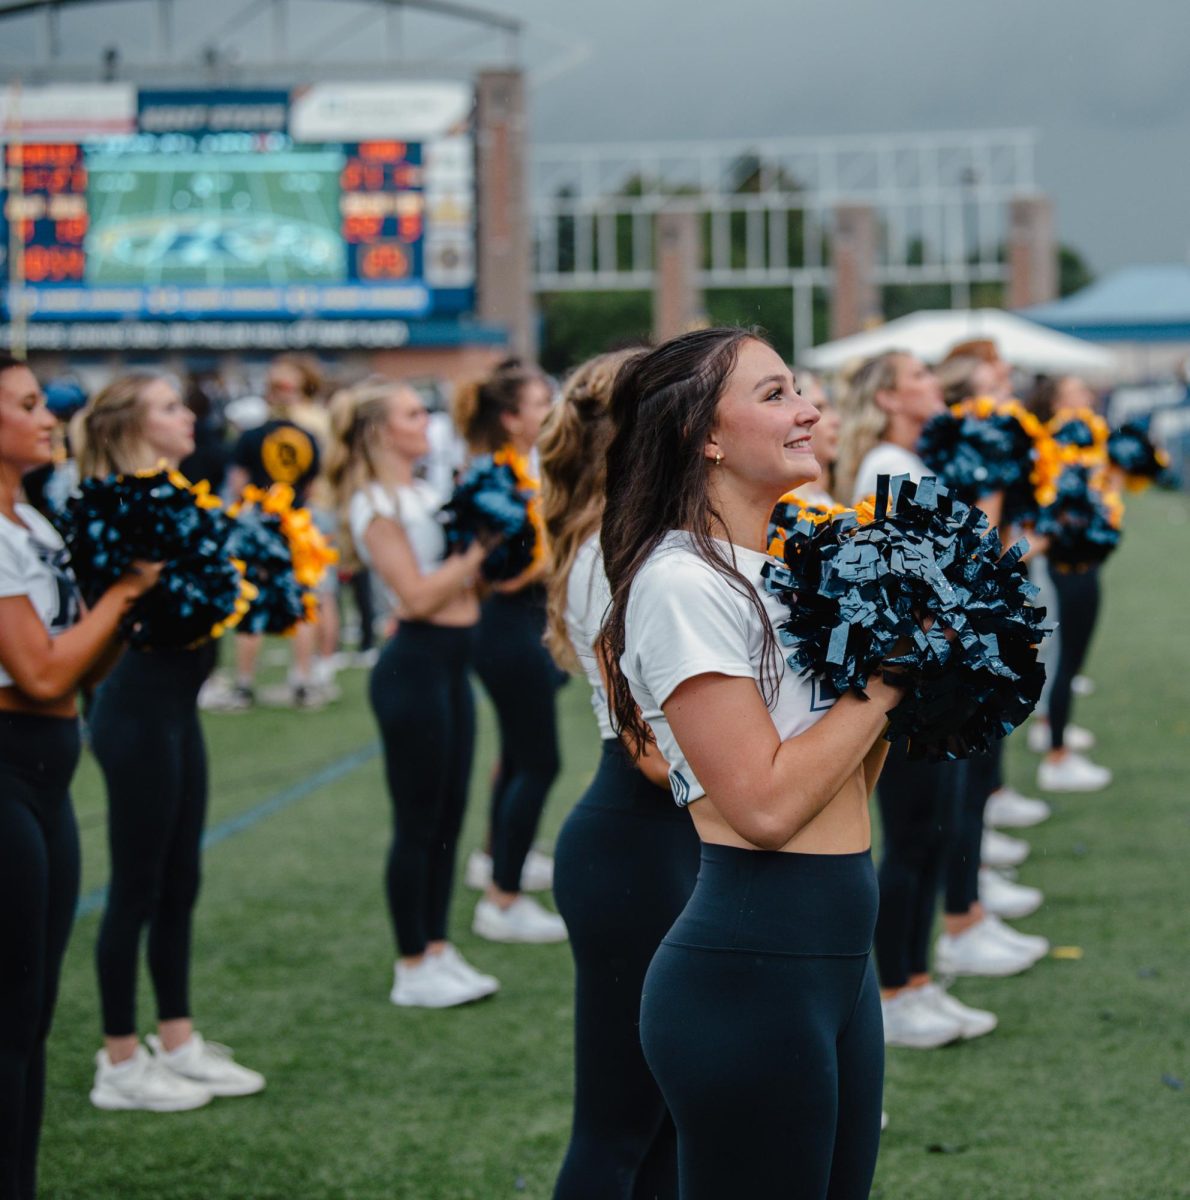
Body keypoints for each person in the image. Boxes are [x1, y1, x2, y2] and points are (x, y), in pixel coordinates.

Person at [601, 327, 901, 1198]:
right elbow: (766, 811)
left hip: (839, 953)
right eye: (774, 395)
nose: (808, 409)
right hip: (752, 965)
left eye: (798, 390)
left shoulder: (786, 569)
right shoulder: (679, 582)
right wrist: (886, 681)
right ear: (706, 435)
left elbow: (846, 782)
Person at [0, 354, 163, 1196]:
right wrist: (126, 590)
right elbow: (43, 675)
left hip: (47, 777)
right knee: (8, 1016)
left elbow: (80, 668)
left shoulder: (31, 522)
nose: (46, 417)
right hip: (10, 774)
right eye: (27, 405)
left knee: (30, 1018)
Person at [81, 371, 266, 1113]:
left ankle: (178, 1039)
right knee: (136, 884)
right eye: (167, 407)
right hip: (136, 710)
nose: (187, 417)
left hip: (177, 709)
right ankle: (119, 1061)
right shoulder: (113, 505)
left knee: (179, 878)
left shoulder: (176, 494)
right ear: (130, 423)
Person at [542, 350, 699, 1200]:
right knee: (616, 1127)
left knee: (671, 1116)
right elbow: (650, 748)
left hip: (659, 838)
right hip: (636, 844)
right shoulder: (616, 547)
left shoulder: (641, 532)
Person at [328, 378, 498, 1008]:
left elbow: (457, 587)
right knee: (418, 819)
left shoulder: (427, 491)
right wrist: (480, 550)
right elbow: (418, 596)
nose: (424, 419)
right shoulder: (373, 503)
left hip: (453, 665)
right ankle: (410, 962)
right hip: (414, 668)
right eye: (409, 412)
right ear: (379, 431)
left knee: (451, 813)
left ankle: (437, 945)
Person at [454, 360, 568, 943]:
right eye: (539, 403)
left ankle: (498, 859)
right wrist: (570, 547)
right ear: (510, 417)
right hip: (506, 626)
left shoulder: (526, 469)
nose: (551, 410)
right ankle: (503, 898)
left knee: (519, 757)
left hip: (527, 623)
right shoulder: (490, 479)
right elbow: (501, 575)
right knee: (540, 761)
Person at [218, 354, 330, 710]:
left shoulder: (250, 436)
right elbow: (312, 486)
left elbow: (237, 485)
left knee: (251, 605)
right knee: (301, 603)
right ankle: (301, 680)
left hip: (259, 525)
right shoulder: (309, 436)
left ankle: (245, 685)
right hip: (296, 525)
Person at [1025, 376, 1111, 792]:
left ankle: (1052, 727)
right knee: (1063, 660)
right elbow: (1055, 510)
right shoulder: (1054, 446)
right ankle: (1056, 755)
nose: (1088, 396)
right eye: (1079, 390)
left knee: (1069, 660)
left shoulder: (1080, 442)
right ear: (1059, 400)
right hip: (1064, 568)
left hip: (1078, 564)